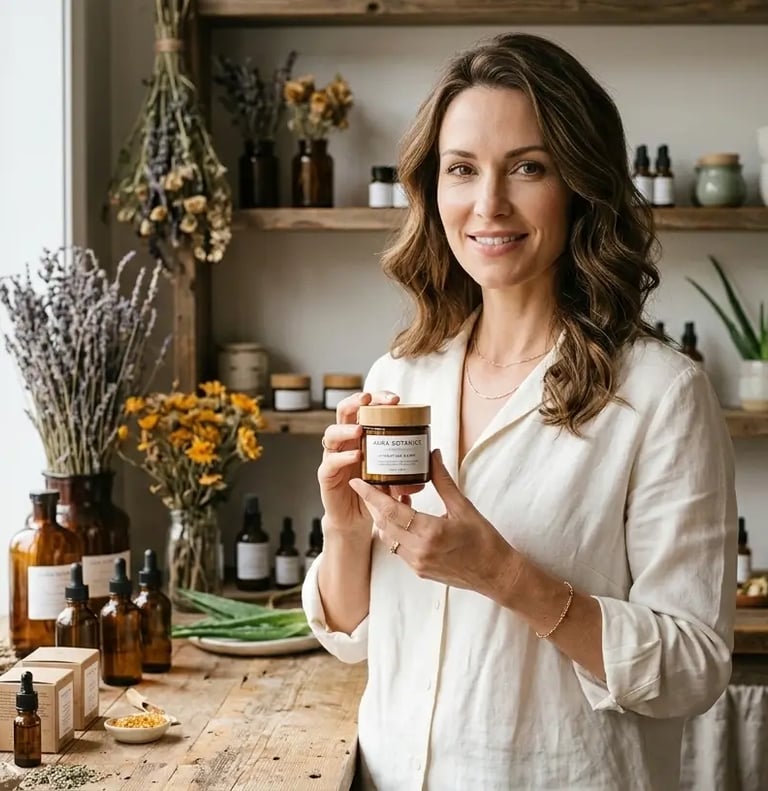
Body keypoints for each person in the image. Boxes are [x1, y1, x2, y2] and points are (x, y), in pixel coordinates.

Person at [302, 32, 736, 790]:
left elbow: (694, 665)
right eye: (462, 169)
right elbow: (353, 637)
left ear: (580, 184)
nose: (488, 203)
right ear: (432, 189)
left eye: (527, 168)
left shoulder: (662, 393)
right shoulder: (400, 375)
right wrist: (344, 527)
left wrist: (505, 575)